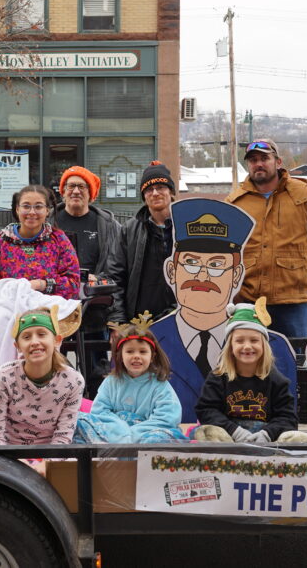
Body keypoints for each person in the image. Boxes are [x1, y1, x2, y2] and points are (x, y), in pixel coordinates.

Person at [148, 198, 258, 422]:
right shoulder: (148, 344)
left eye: (216, 265)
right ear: (172, 271)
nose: (203, 276)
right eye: (191, 262)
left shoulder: (266, 347)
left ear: (236, 275)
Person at [225, 139, 307, 340]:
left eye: (264, 158)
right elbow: (227, 250)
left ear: (278, 162)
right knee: (249, 361)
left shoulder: (304, 195)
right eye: (253, 160)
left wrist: (301, 268)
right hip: (248, 300)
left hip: (292, 300)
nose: (258, 164)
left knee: (294, 361)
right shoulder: (235, 202)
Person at [194, 302, 298, 443]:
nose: (247, 346)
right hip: (228, 439)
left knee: (299, 438)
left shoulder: (277, 381)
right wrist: (234, 431)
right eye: (239, 341)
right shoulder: (217, 378)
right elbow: (206, 411)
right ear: (230, 346)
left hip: (266, 442)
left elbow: (288, 418)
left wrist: (267, 434)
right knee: (205, 432)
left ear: (264, 345)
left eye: (254, 340)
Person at [73, 314, 186, 443]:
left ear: (153, 356)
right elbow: (99, 412)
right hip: (114, 433)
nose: (136, 356)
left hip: (146, 434)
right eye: (130, 351)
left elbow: (168, 417)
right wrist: (121, 430)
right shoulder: (111, 382)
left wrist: (133, 433)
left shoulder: (160, 385)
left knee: (159, 439)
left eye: (143, 352)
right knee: (79, 421)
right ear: (120, 355)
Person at [0, 307, 86, 445]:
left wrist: (47, 465)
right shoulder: (3, 377)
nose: (34, 342)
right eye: (26, 337)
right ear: (18, 346)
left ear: (57, 340)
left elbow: (63, 437)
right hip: (9, 454)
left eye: (42, 334)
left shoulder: (73, 381)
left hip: (53, 455)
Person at [106, 162, 178, 330]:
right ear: (144, 196)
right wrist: (118, 322)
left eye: (161, 187)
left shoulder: (187, 226)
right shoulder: (129, 230)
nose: (155, 193)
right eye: (148, 189)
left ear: (171, 192)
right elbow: (115, 277)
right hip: (138, 323)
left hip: (180, 318)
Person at [0, 184, 80, 299]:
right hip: (8, 312)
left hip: (50, 313)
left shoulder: (59, 240)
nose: (32, 212)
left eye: (38, 207)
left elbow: (73, 285)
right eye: (26, 206)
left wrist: (42, 285)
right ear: (17, 209)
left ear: (47, 211)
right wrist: (16, 291)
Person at [50, 166, 120, 284]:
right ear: (63, 191)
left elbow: (119, 263)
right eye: (71, 186)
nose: (76, 191)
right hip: (56, 296)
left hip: (94, 296)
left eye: (82, 187)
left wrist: (99, 278)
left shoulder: (109, 226)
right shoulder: (47, 222)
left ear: (90, 193)